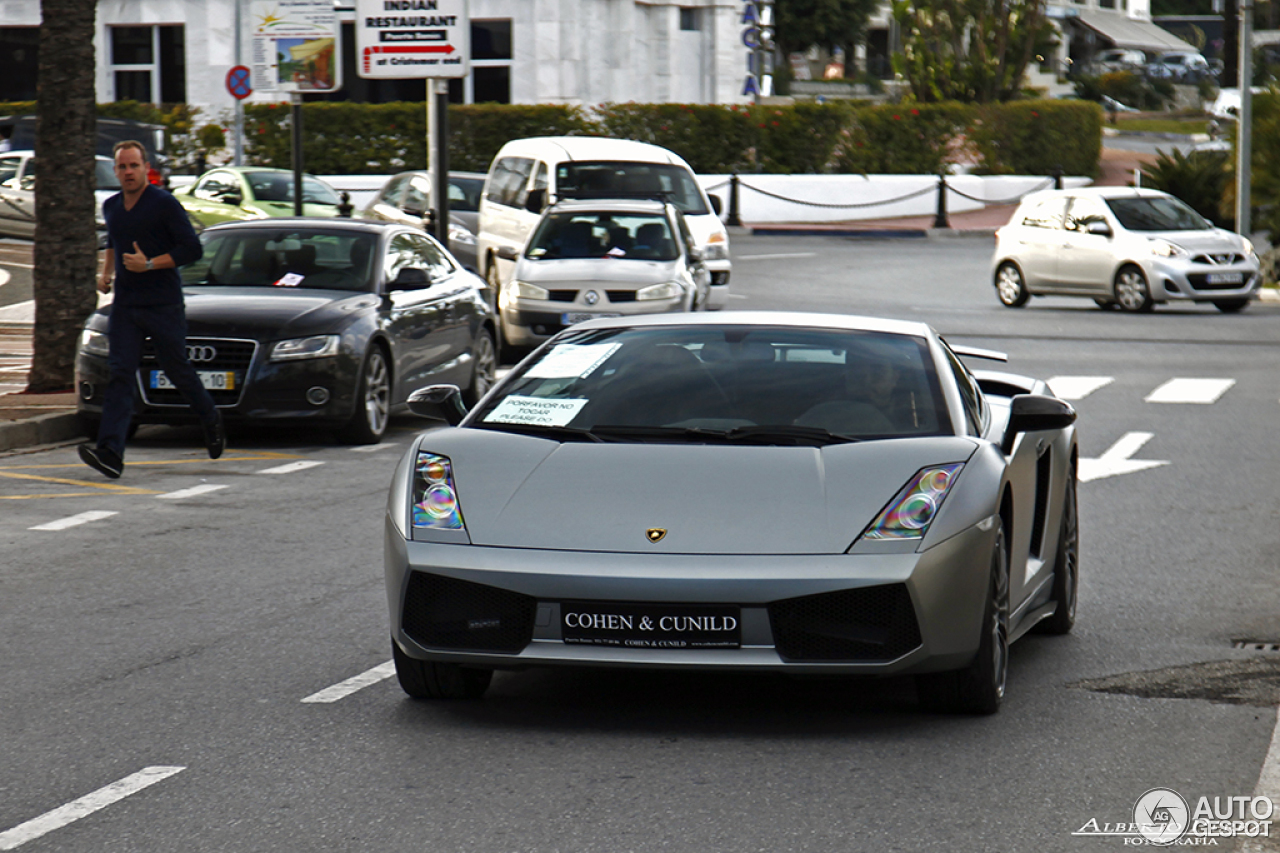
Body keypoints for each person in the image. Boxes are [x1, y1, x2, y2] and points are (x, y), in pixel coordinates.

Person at [78, 140, 223, 479]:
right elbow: (114, 239)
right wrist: (106, 273)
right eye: (122, 167)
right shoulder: (112, 206)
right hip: (126, 305)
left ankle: (210, 416)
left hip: (163, 303)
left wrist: (150, 264)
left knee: (177, 370)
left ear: (146, 169)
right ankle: (111, 452)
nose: (128, 172)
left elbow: (192, 248)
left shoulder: (164, 204)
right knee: (120, 374)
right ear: (115, 171)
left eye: (134, 166)